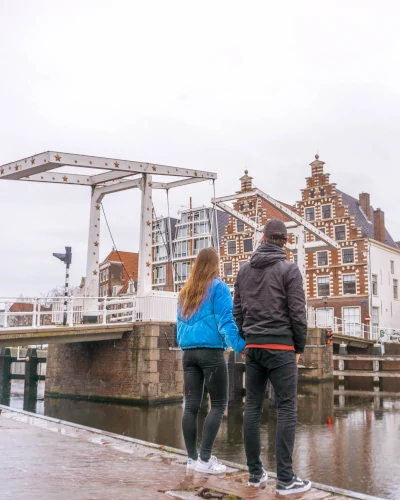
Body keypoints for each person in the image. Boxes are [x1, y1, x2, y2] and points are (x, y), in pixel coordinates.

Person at [233, 219, 311, 495]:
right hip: (281, 349)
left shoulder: (243, 271)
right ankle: (286, 479)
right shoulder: (290, 270)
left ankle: (255, 474)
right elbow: (298, 314)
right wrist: (299, 347)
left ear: (263, 239)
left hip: (253, 348)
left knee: (252, 407)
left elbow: (237, 312)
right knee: (287, 407)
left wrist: (246, 341)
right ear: (285, 242)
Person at [177, 247, 245, 474]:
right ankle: (205, 460)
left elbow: (180, 324)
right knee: (218, 405)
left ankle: (191, 460)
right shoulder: (218, 288)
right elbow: (226, 322)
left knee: (191, 406)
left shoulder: (185, 292)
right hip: (211, 353)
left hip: (189, 354)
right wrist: (240, 346)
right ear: (215, 265)